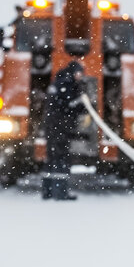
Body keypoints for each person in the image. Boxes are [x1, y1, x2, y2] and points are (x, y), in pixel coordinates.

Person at [42, 61, 85, 200]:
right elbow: (67, 105)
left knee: (51, 158)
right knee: (62, 159)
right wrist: (80, 103)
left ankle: (47, 192)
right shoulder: (66, 84)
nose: (80, 76)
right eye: (78, 73)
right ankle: (61, 193)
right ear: (73, 72)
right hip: (59, 128)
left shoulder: (58, 82)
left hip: (52, 127)